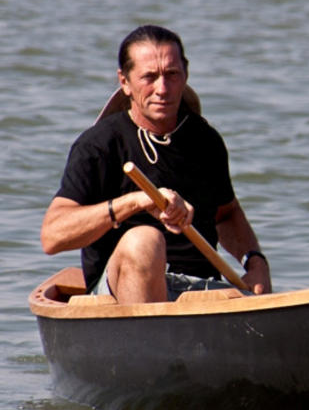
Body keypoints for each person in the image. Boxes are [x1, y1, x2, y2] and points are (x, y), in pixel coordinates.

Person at [40, 25, 271, 303]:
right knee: (144, 240)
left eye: (171, 75)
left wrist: (254, 261)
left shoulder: (205, 140)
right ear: (125, 81)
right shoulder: (99, 145)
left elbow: (227, 214)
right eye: (149, 77)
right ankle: (145, 327)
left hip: (199, 290)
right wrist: (137, 202)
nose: (162, 89)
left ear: (185, 74)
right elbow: (52, 237)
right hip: (118, 293)